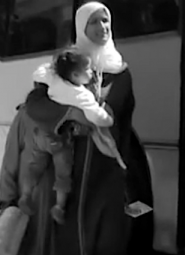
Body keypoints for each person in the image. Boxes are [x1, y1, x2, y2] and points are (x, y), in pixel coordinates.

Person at [0, 1, 150, 255]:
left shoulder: (120, 73)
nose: (102, 26)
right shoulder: (67, 65)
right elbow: (35, 104)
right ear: (81, 27)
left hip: (104, 174)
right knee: (64, 238)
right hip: (65, 171)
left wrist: (78, 114)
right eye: (93, 22)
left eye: (105, 20)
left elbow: (110, 114)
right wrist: (70, 114)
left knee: (105, 237)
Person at [18, 48, 126, 224]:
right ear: (75, 75)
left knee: (34, 166)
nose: (92, 73)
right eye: (88, 70)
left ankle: (25, 195)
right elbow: (95, 116)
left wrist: (53, 67)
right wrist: (108, 119)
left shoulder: (54, 80)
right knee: (63, 175)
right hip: (59, 140)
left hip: (39, 135)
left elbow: (39, 73)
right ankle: (59, 207)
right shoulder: (79, 94)